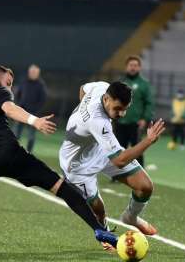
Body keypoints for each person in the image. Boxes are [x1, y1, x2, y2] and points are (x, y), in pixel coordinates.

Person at [0, 65, 118, 246]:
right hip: (10, 155)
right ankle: (98, 228)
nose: (9, 88)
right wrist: (34, 120)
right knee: (59, 186)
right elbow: (10, 109)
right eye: (8, 83)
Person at [59, 81, 165, 241]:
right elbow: (119, 161)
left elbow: (83, 88)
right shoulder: (97, 121)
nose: (121, 114)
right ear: (106, 99)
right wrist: (148, 141)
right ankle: (106, 235)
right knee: (98, 210)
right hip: (77, 164)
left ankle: (131, 217)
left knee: (145, 187)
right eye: (117, 109)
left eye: (125, 109)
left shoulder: (102, 86)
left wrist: (84, 117)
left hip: (100, 149)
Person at [115, 56, 154, 167]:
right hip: (120, 122)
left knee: (138, 149)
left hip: (135, 123)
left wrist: (145, 118)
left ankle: (140, 173)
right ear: (126, 67)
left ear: (139, 68)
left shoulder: (144, 84)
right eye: (131, 65)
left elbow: (149, 103)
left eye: (135, 65)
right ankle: (117, 175)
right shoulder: (120, 83)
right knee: (118, 149)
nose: (133, 68)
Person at [14, 64, 47, 153]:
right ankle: (12, 152)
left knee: (31, 137)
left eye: (35, 72)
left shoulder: (41, 85)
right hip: (21, 112)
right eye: (31, 72)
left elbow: (42, 100)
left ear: (38, 73)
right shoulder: (23, 82)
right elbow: (17, 95)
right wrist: (18, 106)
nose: (33, 73)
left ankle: (29, 154)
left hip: (33, 114)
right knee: (16, 135)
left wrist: (36, 110)